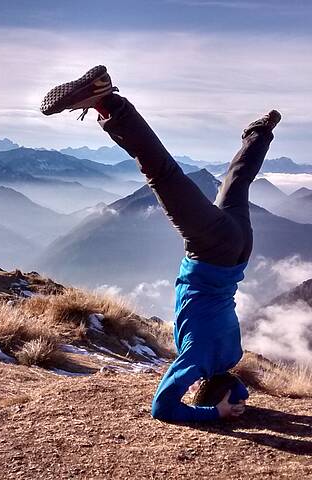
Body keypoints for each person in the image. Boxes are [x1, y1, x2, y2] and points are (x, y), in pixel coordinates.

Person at [40, 65, 281, 422]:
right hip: (211, 250)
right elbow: (162, 409)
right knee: (162, 173)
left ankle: (258, 134)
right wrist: (214, 413)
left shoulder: (229, 357)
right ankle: (106, 100)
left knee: (237, 182)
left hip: (238, 252)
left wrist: (224, 401)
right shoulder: (197, 359)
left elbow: (237, 387)